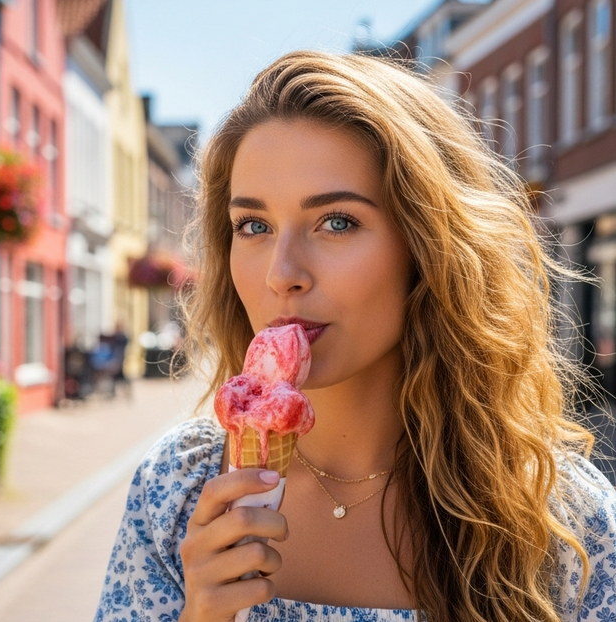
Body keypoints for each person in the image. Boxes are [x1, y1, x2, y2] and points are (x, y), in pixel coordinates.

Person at [93, 51, 616, 622]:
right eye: (254, 226)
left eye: (336, 222)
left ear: (429, 248)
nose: (280, 272)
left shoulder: (564, 520)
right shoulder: (176, 491)